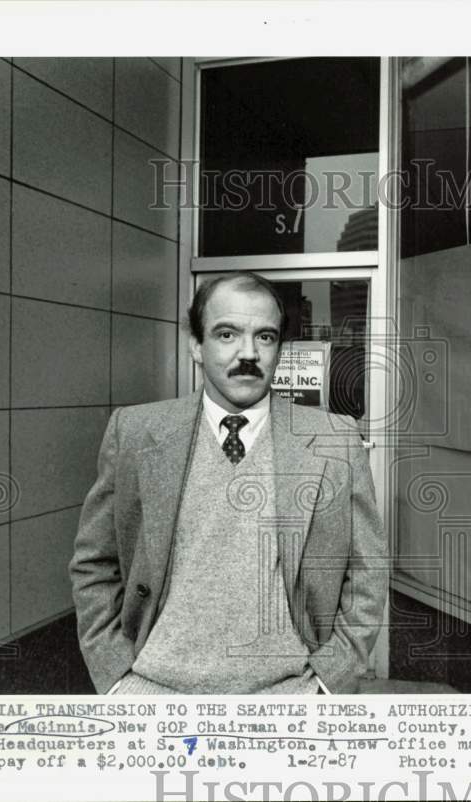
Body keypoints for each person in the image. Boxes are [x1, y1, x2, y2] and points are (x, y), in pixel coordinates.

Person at [69, 272, 386, 695]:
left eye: (266, 337)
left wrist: (329, 682)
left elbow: (368, 570)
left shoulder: (334, 439)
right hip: (150, 690)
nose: (249, 353)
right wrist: (116, 679)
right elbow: (94, 562)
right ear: (196, 346)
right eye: (226, 334)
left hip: (290, 694)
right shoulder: (135, 432)